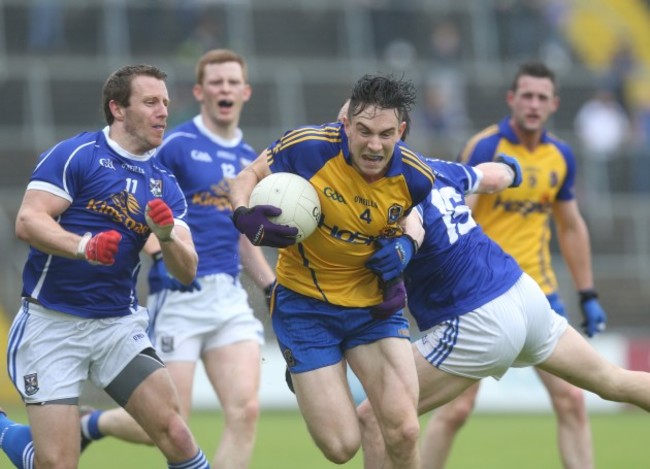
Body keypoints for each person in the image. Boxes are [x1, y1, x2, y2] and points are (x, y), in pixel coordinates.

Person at [357, 154, 650, 468]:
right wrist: (511, 169)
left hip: (477, 318)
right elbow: (491, 177)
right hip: (522, 293)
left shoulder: (388, 187)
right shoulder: (437, 167)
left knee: (375, 416)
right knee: (613, 381)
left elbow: (412, 224)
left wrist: (404, 248)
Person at [0, 65, 210, 469]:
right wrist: (85, 246)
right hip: (52, 325)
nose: (163, 111)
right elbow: (28, 220)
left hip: (117, 326)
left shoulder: (163, 181)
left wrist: (166, 236)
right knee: (58, 464)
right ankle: (11, 436)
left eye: (165, 102)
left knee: (176, 434)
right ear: (117, 108)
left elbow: (187, 270)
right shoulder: (77, 155)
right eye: (150, 102)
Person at [78, 49, 275, 469]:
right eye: (216, 82)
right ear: (201, 92)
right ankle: (90, 425)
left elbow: (242, 235)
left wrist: (271, 285)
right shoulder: (177, 144)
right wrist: (157, 247)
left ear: (245, 91)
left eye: (232, 82)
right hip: (181, 294)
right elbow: (138, 194)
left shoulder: (249, 158)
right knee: (171, 420)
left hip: (228, 297)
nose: (225, 89)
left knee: (246, 411)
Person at [228, 74, 435, 468]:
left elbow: (417, 219)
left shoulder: (415, 176)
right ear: (347, 125)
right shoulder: (307, 148)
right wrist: (244, 215)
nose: (375, 145)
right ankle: (307, 377)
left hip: (373, 309)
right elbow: (246, 177)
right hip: (306, 308)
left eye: (386, 134)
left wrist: (407, 248)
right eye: (365, 132)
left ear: (401, 131)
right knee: (341, 448)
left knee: (403, 429)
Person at [420, 60, 607, 469]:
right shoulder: (485, 148)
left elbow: (571, 226)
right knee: (455, 411)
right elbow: (454, 214)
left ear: (555, 103)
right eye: (527, 95)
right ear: (511, 99)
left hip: (539, 292)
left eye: (542, 97)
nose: (534, 104)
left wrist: (588, 292)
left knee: (572, 401)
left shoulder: (561, 156)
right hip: (480, 295)